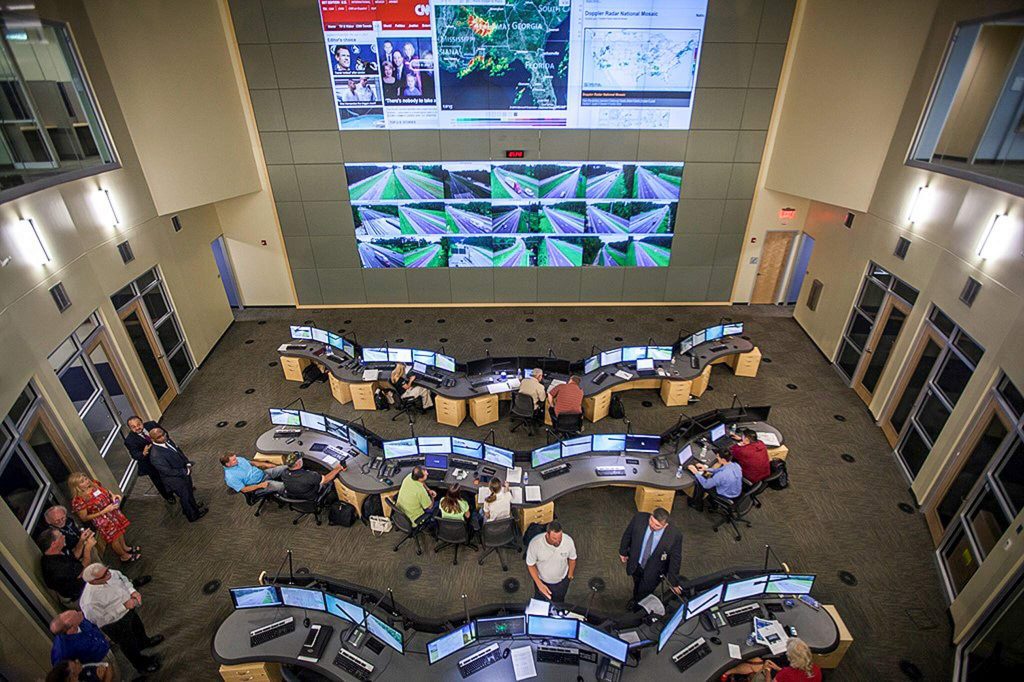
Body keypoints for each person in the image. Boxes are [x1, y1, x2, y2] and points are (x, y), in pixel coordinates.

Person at [79, 563, 162, 674]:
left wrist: (132, 591)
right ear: (93, 581)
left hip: (129, 609)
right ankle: (142, 665)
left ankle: (144, 643)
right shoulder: (89, 601)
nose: (109, 573)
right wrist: (123, 607)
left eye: (107, 570)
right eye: (104, 574)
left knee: (137, 626)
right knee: (128, 644)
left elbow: (123, 579)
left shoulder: (110, 573)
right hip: (114, 623)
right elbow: (100, 620)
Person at [618, 507, 683, 605]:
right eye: (651, 520)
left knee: (645, 592)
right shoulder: (639, 518)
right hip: (636, 563)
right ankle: (636, 599)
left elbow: (675, 558)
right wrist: (623, 551)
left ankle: (639, 606)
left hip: (654, 571)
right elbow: (628, 534)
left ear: (665, 525)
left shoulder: (675, 535)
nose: (652, 525)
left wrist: (673, 583)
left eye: (657, 525)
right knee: (637, 584)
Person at [68, 473, 137, 562]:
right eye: (82, 481)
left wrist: (113, 496)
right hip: (103, 520)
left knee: (120, 531)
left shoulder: (94, 484)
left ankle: (125, 547)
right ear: (76, 486)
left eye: (85, 478)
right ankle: (124, 556)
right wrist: (104, 511)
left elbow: (107, 492)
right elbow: (84, 518)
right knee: (114, 538)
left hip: (112, 512)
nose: (86, 481)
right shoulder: (78, 500)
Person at [147, 427, 206, 522]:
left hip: (183, 472)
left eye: (163, 434)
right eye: (159, 437)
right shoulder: (156, 455)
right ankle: (193, 515)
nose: (163, 438)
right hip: (175, 480)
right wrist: (185, 471)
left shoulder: (167, 441)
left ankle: (193, 506)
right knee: (185, 497)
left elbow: (178, 452)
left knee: (189, 493)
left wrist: (187, 462)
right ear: (153, 439)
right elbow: (167, 471)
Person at [122, 417, 174, 502]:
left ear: (142, 422)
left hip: (166, 455)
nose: (137, 428)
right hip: (150, 463)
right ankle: (168, 496)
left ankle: (183, 487)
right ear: (130, 429)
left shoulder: (152, 425)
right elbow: (135, 455)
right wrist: (143, 453)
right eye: (133, 427)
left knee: (174, 471)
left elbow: (165, 433)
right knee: (159, 481)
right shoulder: (129, 441)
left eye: (138, 424)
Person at [723, 638, 821, 682]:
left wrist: (768, 671)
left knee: (756, 663)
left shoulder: (786, 674)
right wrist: (777, 668)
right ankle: (729, 673)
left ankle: (727, 672)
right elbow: (794, 676)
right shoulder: (816, 669)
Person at [526, 521, 577, 603]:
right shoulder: (535, 544)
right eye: (554, 538)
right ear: (547, 535)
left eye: (560, 538)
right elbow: (530, 565)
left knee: (559, 602)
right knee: (541, 603)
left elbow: (572, 558)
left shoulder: (568, 541)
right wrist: (539, 584)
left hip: (561, 581)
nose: (558, 541)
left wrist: (569, 576)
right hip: (542, 580)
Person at [38, 527, 95, 601]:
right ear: (54, 544)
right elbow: (83, 571)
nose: (64, 536)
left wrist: (82, 540)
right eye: (61, 536)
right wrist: (88, 548)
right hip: (79, 594)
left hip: (79, 575)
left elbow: (75, 556)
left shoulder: (55, 551)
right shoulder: (56, 567)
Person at [221, 453, 288, 495]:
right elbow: (244, 489)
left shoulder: (238, 460)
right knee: (282, 486)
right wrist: (259, 486)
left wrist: (267, 465)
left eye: (235, 458)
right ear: (228, 464)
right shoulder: (231, 477)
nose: (237, 460)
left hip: (263, 473)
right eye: (234, 460)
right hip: (258, 485)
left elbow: (252, 463)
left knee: (286, 467)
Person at [45, 659, 113, 682]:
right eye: (74, 672)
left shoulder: (83, 670)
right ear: (70, 679)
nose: (77, 661)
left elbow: (108, 666)